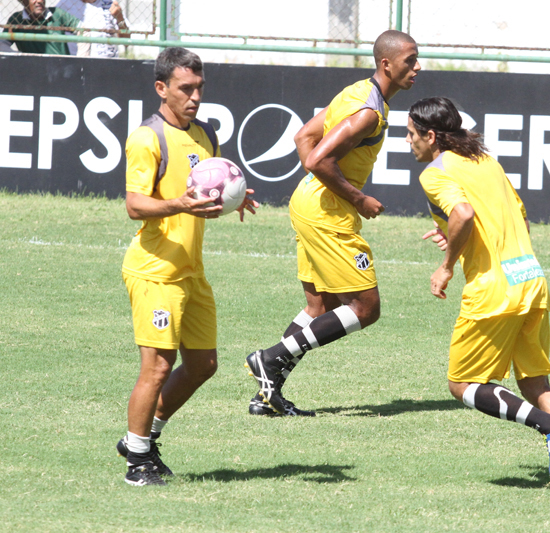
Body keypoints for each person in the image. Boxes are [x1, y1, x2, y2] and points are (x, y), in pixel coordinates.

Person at [407, 96, 550, 492]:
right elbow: (515, 218)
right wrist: (455, 237)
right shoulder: (486, 162)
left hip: (494, 290)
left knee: (463, 384)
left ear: (431, 136)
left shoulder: (435, 172)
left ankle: (549, 427)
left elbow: (464, 214)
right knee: (536, 386)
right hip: (530, 279)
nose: (408, 143)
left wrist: (447, 265)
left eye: (411, 135)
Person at [244, 30, 421, 417]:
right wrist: (357, 198)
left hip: (310, 202)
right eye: (410, 60)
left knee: (319, 305)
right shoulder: (368, 112)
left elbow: (304, 135)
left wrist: (320, 186)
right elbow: (316, 159)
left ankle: (268, 394)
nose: (417, 67)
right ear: (386, 64)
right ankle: (269, 358)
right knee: (365, 308)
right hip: (326, 212)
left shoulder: (357, 91)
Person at [117, 46, 258, 486]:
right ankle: (137, 461)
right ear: (162, 89)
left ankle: (143, 437)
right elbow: (134, 205)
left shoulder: (206, 135)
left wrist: (236, 196)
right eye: (185, 88)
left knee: (203, 365)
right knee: (157, 367)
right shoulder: (147, 138)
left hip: (191, 271)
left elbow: (211, 179)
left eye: (199, 88)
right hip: (155, 270)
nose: (194, 96)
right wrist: (178, 204)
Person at [2, 0, 81, 55]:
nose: (39, 1)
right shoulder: (17, 19)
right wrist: (19, 57)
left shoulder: (57, 13)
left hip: (61, 69)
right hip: (32, 70)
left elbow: (83, 30)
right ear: (24, 1)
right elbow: (2, 43)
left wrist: (81, 58)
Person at [55, 0, 131, 57]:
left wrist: (120, 18)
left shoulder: (109, 4)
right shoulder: (65, 5)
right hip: (78, 66)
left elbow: (127, 41)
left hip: (109, 66)